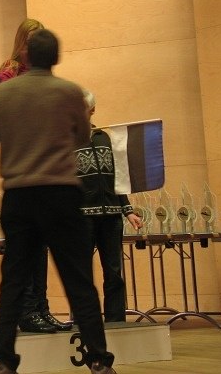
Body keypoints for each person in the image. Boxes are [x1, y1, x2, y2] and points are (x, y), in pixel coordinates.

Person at [0, 29, 116, 374]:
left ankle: (3, 360)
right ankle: (99, 360)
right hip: (62, 195)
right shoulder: (70, 92)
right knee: (79, 282)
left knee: (13, 282)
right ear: (56, 58)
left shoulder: (5, 92)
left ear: (26, 56)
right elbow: (82, 137)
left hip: (20, 196)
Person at [0, 18, 68, 334]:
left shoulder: (43, 77)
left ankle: (41, 308)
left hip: (44, 170)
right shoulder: (6, 75)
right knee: (26, 246)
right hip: (22, 170)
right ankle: (27, 311)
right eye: (31, 41)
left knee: (41, 245)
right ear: (21, 43)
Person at [76, 90, 143, 322]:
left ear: (92, 110)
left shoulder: (106, 138)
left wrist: (128, 210)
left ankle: (116, 320)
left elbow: (119, 177)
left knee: (114, 272)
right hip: (82, 217)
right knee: (81, 273)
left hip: (112, 215)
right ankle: (86, 320)